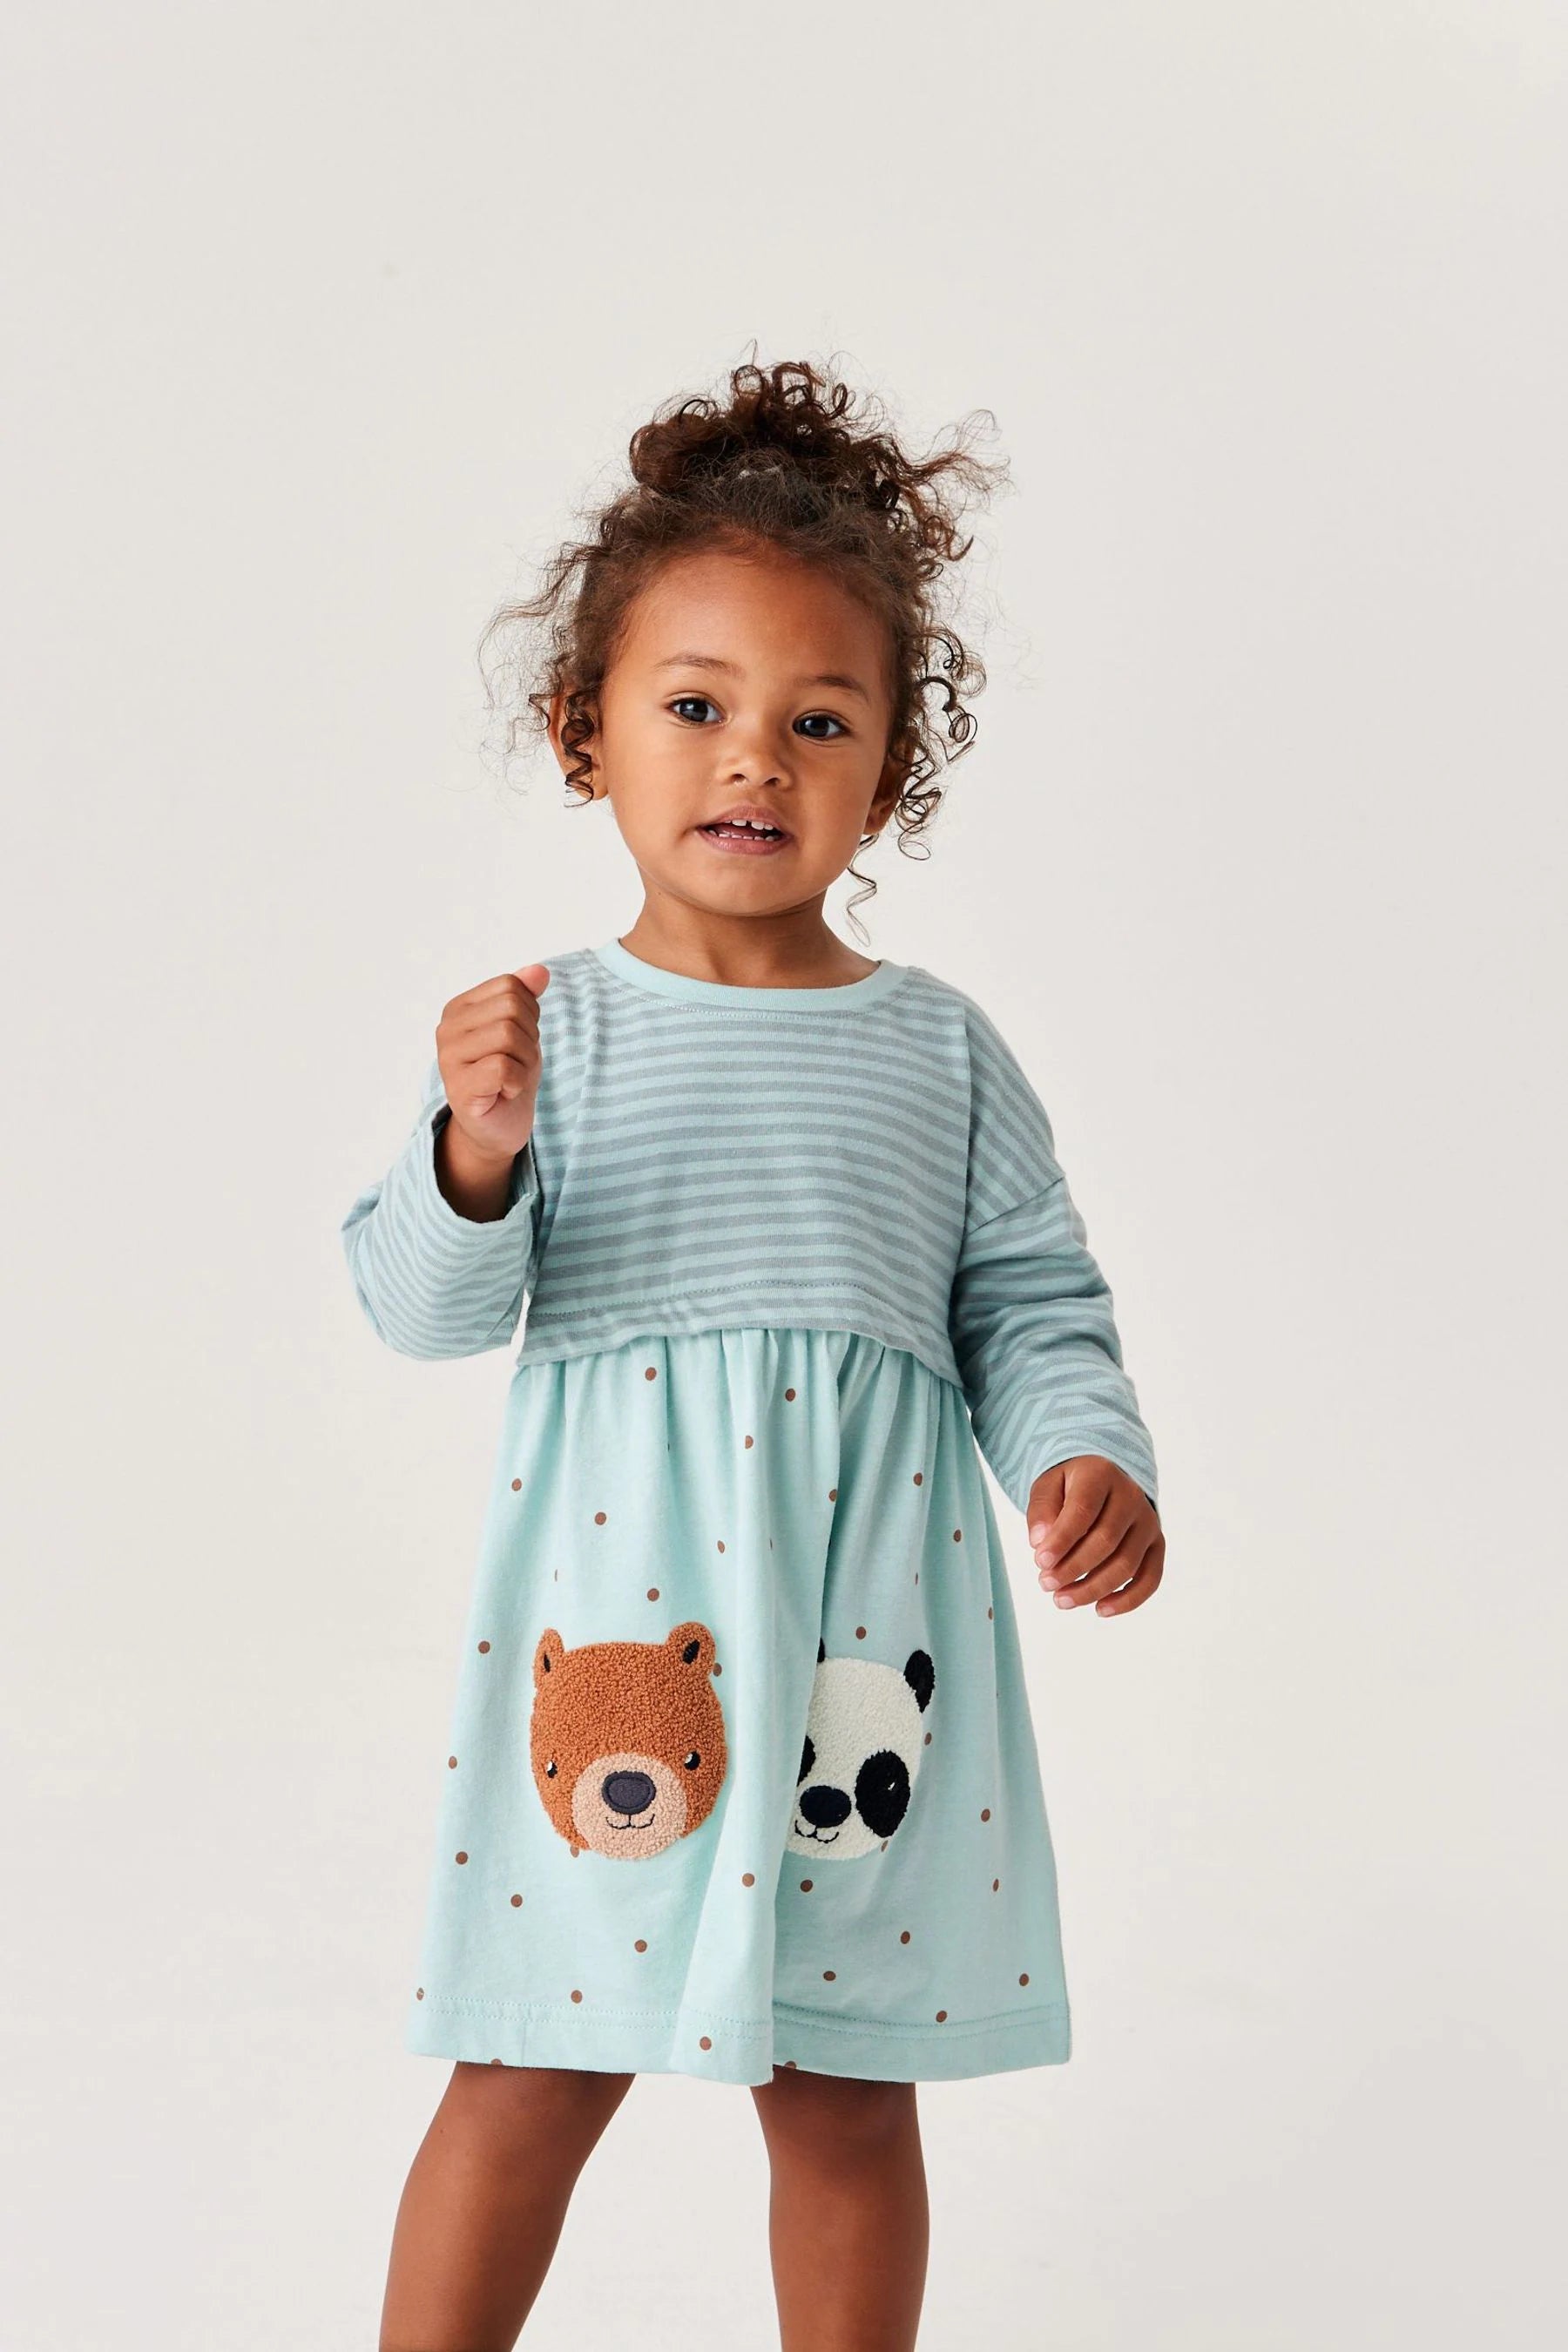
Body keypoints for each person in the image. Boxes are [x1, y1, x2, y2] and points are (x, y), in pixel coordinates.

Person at [340, 354, 1165, 2352]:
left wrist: (1087, 1450)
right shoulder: (550, 1034)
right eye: (696, 707)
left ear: (889, 770)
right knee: (531, 2067)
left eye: (819, 721)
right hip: (632, 1645)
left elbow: (1031, 1297)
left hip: (867, 1651)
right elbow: (420, 1307)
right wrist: (474, 1155)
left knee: (849, 2093)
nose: (756, 763)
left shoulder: (940, 1050)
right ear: (584, 729)